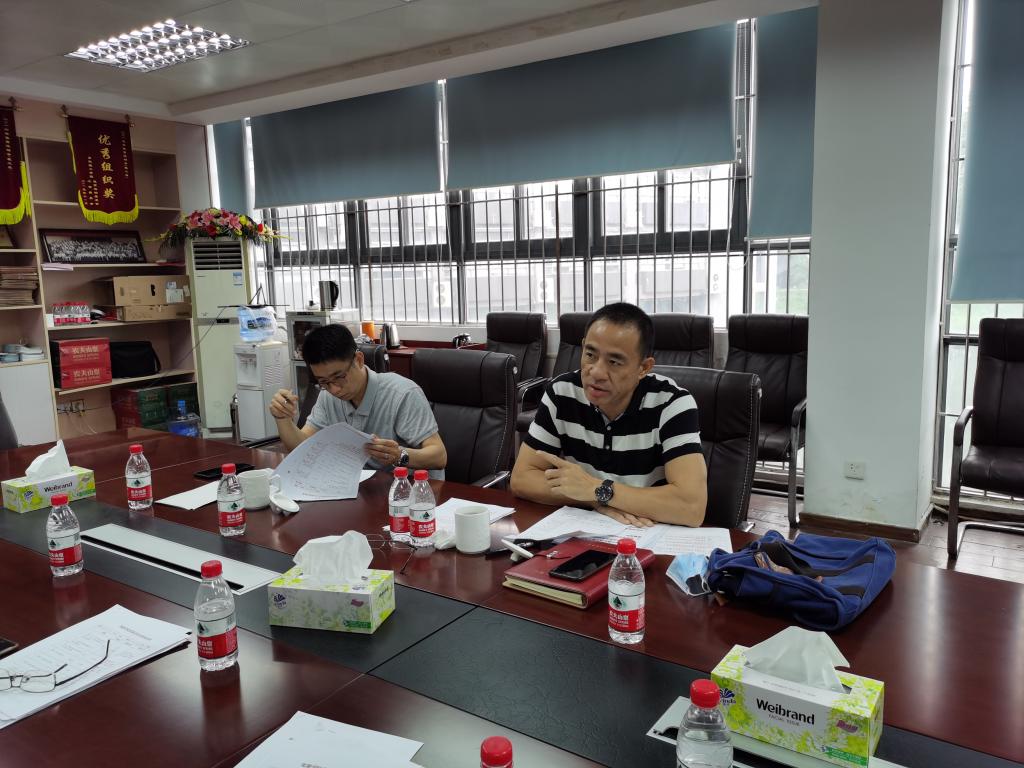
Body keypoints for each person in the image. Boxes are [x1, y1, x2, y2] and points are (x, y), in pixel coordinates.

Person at [510, 302, 707, 527]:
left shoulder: (672, 403)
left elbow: (691, 507)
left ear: (643, 368)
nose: (597, 372)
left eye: (614, 362)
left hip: (648, 533)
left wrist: (597, 489)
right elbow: (522, 478)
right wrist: (592, 498)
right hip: (585, 530)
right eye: (590, 355)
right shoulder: (562, 392)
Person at [269, 324, 447, 477]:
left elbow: (439, 456)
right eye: (323, 382)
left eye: (339, 377)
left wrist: (399, 455)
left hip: (407, 490)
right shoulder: (327, 396)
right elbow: (303, 446)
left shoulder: (402, 394)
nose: (334, 389)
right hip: (359, 488)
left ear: (359, 360)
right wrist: (282, 418)